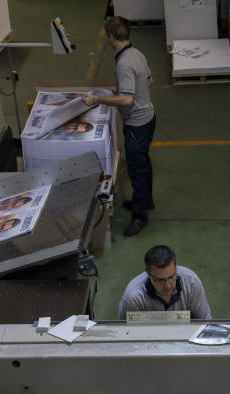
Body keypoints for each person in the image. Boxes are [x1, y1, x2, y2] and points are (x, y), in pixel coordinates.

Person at [83, 16, 156, 237]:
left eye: (107, 35)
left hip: (136, 123)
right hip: (148, 118)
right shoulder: (137, 53)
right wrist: (124, 91)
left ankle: (140, 216)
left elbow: (127, 100)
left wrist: (97, 100)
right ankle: (146, 200)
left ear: (112, 37)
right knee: (143, 162)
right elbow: (149, 81)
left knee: (136, 169)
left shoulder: (124, 62)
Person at [118, 245, 211, 320]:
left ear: (175, 267)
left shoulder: (192, 284)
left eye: (171, 277)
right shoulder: (133, 298)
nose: (167, 286)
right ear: (148, 274)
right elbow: (128, 334)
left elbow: (204, 322)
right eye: (160, 280)